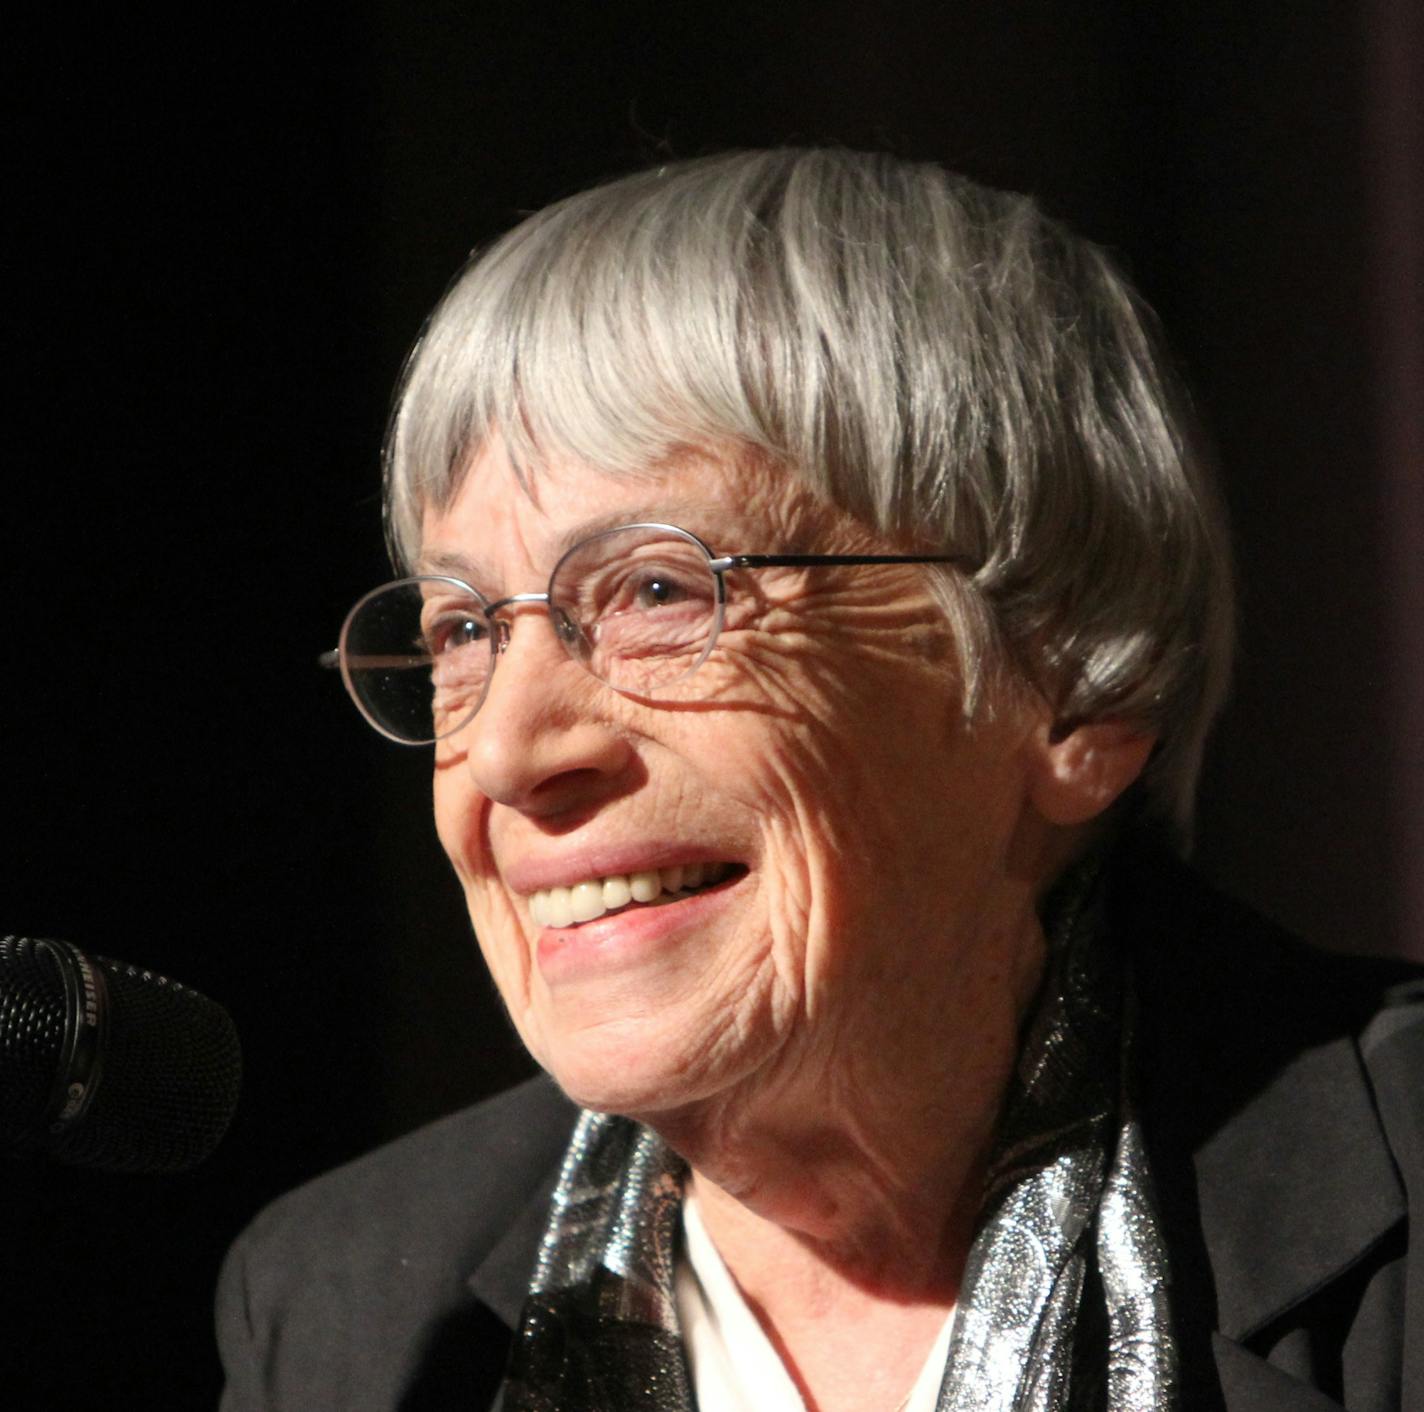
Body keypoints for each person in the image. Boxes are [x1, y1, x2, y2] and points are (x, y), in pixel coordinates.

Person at [216, 149, 1422, 1411]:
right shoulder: (345, 1313)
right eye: (464, 629)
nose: (512, 752)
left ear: (1070, 681)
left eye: (656, 590)